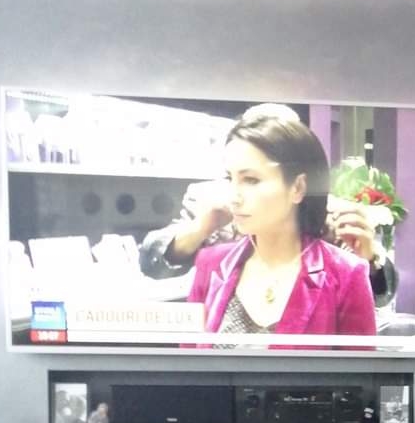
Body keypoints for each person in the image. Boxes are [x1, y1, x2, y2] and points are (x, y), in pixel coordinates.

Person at [138, 105, 398, 307]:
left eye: (253, 179)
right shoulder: (210, 200)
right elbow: (153, 265)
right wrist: (200, 229)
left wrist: (371, 260)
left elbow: (377, 297)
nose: (237, 193)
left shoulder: (331, 214)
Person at [185, 105, 377, 343]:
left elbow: (359, 366)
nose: (233, 196)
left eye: (251, 180)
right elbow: (189, 361)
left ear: (298, 187)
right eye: (229, 178)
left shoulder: (345, 274)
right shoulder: (211, 265)